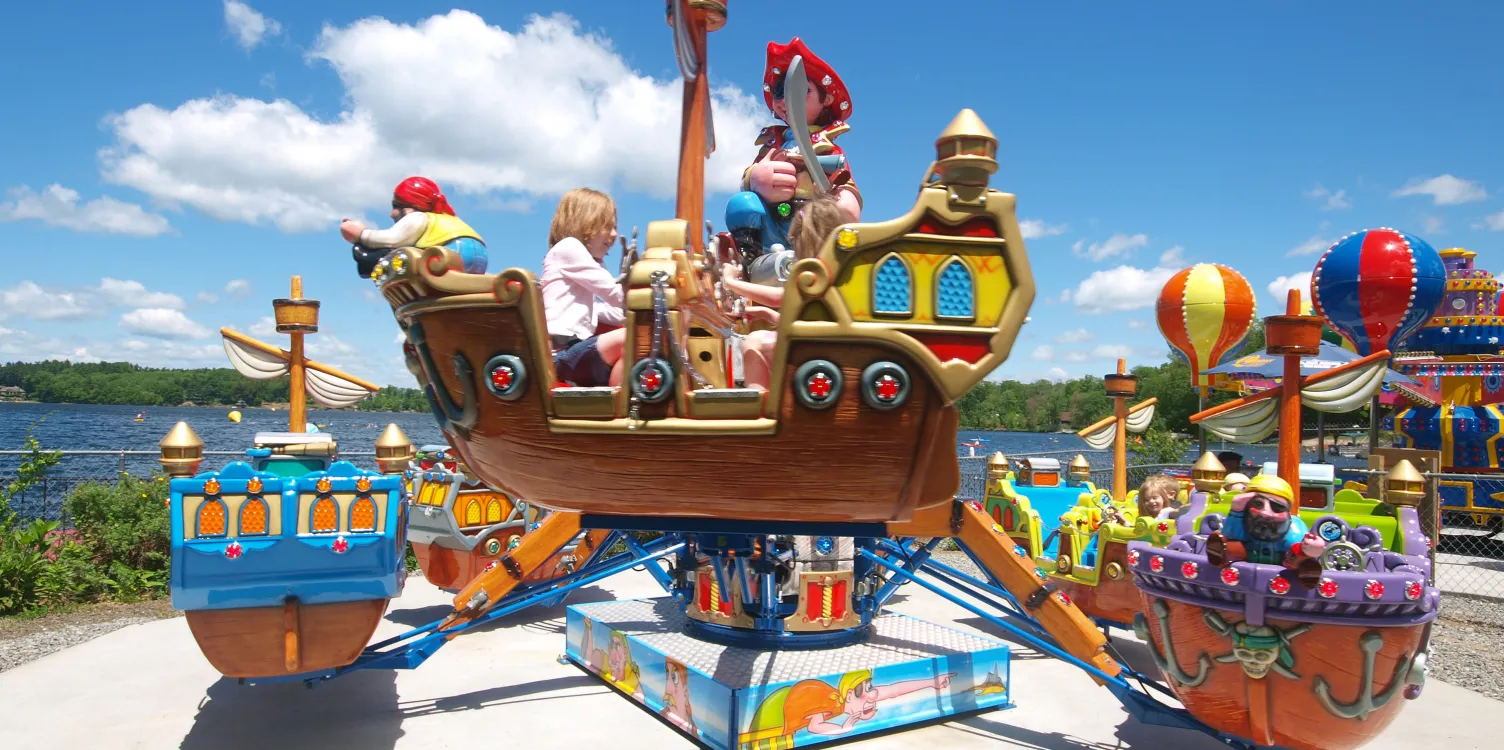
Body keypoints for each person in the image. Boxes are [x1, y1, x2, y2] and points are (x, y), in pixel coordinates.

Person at [726, 38, 861, 262]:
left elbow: (845, 182)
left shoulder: (829, 148)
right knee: (741, 203)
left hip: (810, 224)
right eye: (780, 92)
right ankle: (749, 259)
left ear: (825, 98)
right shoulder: (773, 145)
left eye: (800, 90)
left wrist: (846, 202)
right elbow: (748, 176)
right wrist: (756, 178)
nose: (787, 99)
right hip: (771, 224)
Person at [721, 193, 848, 391]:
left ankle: (762, 409)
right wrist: (766, 314)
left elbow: (778, 297)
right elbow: (812, 317)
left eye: (796, 240)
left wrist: (730, 281)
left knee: (754, 343)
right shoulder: (844, 271)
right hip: (833, 343)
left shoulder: (815, 271)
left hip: (812, 346)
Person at [540, 188, 626, 387]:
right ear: (584, 222)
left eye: (615, 227)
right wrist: (652, 298)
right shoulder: (569, 247)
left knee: (638, 340)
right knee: (634, 338)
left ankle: (624, 400)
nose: (614, 234)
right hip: (559, 355)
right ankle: (622, 405)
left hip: (573, 353)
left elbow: (617, 313)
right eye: (607, 226)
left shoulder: (589, 265)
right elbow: (615, 294)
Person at [341, 177, 487, 276]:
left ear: (409, 208)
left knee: (400, 260)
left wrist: (361, 233)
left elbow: (393, 239)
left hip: (451, 254)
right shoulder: (450, 220)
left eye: (395, 206)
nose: (391, 214)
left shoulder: (418, 217)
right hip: (480, 259)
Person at [1205, 474, 1326, 589]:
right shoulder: (1243, 521)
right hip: (1249, 556)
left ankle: (1307, 571)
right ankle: (1219, 554)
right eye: (1258, 504)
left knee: (1298, 557)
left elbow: (1299, 545)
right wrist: (1236, 510)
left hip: (1284, 562)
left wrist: (1310, 548)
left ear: (1288, 512)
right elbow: (1230, 535)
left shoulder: (1294, 527)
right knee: (1231, 545)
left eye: (1277, 508)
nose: (1266, 513)